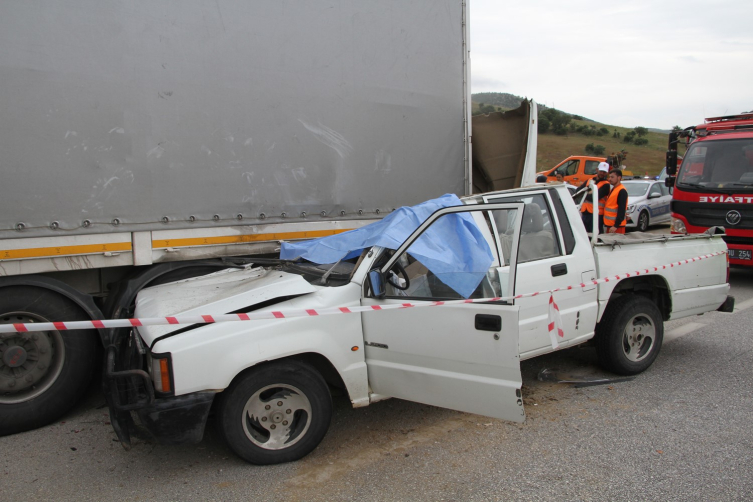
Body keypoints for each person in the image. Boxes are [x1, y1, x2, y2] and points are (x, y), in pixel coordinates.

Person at [577, 162, 610, 233]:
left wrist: (586, 192)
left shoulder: (606, 185)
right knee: (584, 234)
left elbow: (593, 197)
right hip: (585, 212)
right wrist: (588, 193)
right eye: (601, 171)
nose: (602, 173)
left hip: (596, 214)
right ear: (597, 170)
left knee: (595, 235)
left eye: (604, 172)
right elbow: (578, 191)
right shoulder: (589, 180)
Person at [603, 168, 628, 234]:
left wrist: (616, 225)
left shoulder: (621, 191)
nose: (610, 179)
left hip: (616, 227)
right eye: (609, 177)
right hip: (611, 225)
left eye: (612, 177)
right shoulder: (614, 189)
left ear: (619, 177)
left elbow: (621, 209)